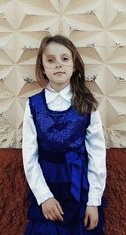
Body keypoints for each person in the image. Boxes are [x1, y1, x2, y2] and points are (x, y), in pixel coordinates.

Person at [22, 35, 107, 234]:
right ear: (42, 68)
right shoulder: (34, 105)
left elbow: (97, 154)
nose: (58, 64)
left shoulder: (87, 104)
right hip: (47, 184)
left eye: (65, 59)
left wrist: (93, 201)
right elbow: (29, 155)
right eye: (50, 60)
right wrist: (44, 197)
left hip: (80, 188)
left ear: (74, 65)